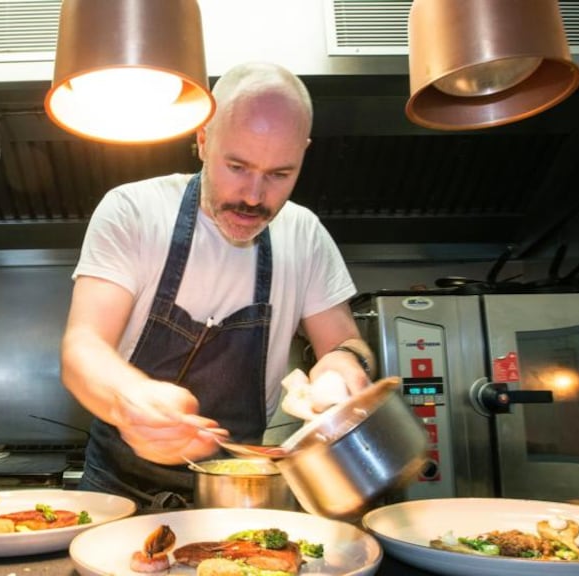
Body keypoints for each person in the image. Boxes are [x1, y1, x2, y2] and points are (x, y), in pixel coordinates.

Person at [59, 61, 375, 508]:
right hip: (116, 492)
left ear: (303, 153)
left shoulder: (303, 234)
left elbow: (346, 342)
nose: (252, 195)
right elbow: (82, 347)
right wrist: (132, 398)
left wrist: (341, 367)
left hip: (240, 492)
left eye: (279, 174)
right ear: (203, 139)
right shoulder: (134, 210)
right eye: (237, 166)